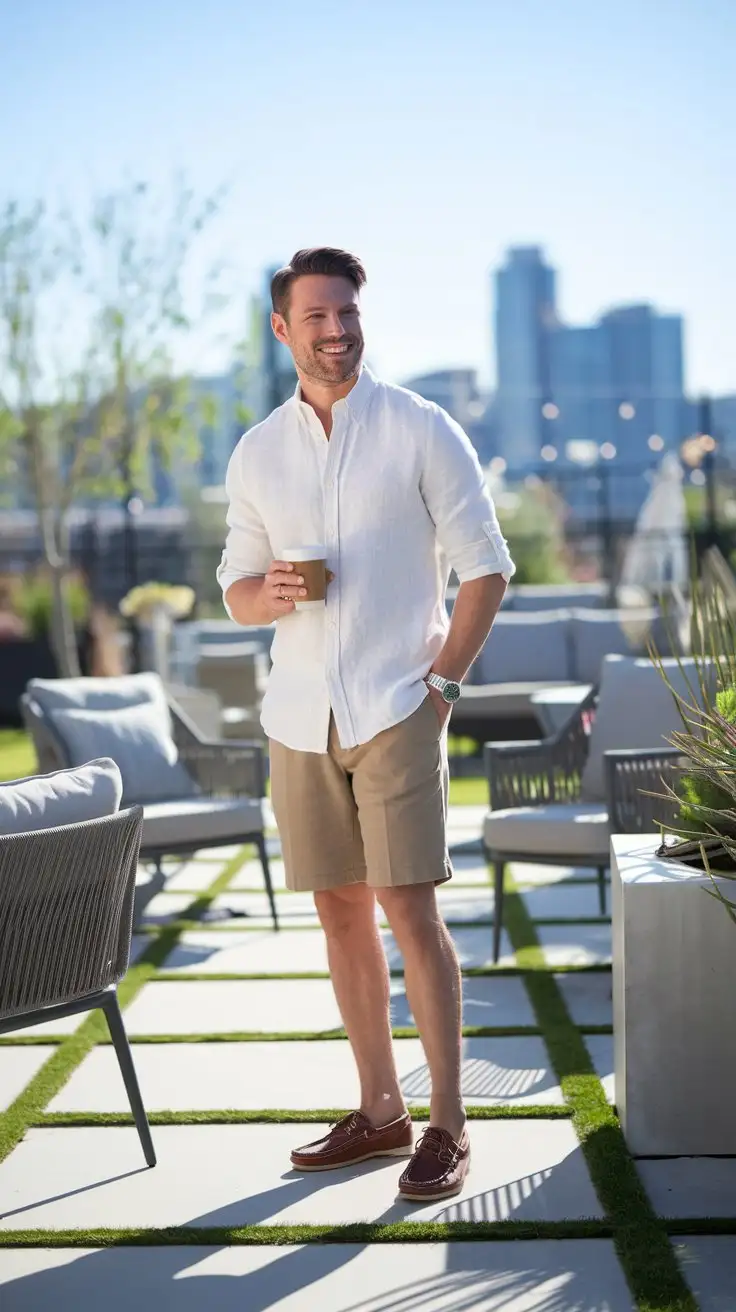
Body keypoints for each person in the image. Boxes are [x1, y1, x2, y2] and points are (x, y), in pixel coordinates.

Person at [217, 248, 514, 1202]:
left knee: (409, 912)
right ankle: (380, 1112)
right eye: (317, 317)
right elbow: (236, 590)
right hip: (300, 717)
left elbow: (487, 568)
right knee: (340, 914)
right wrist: (271, 592)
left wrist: (441, 692)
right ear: (283, 329)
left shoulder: (423, 429)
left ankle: (448, 1126)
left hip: (398, 708)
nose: (337, 330)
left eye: (347, 312)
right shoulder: (258, 450)